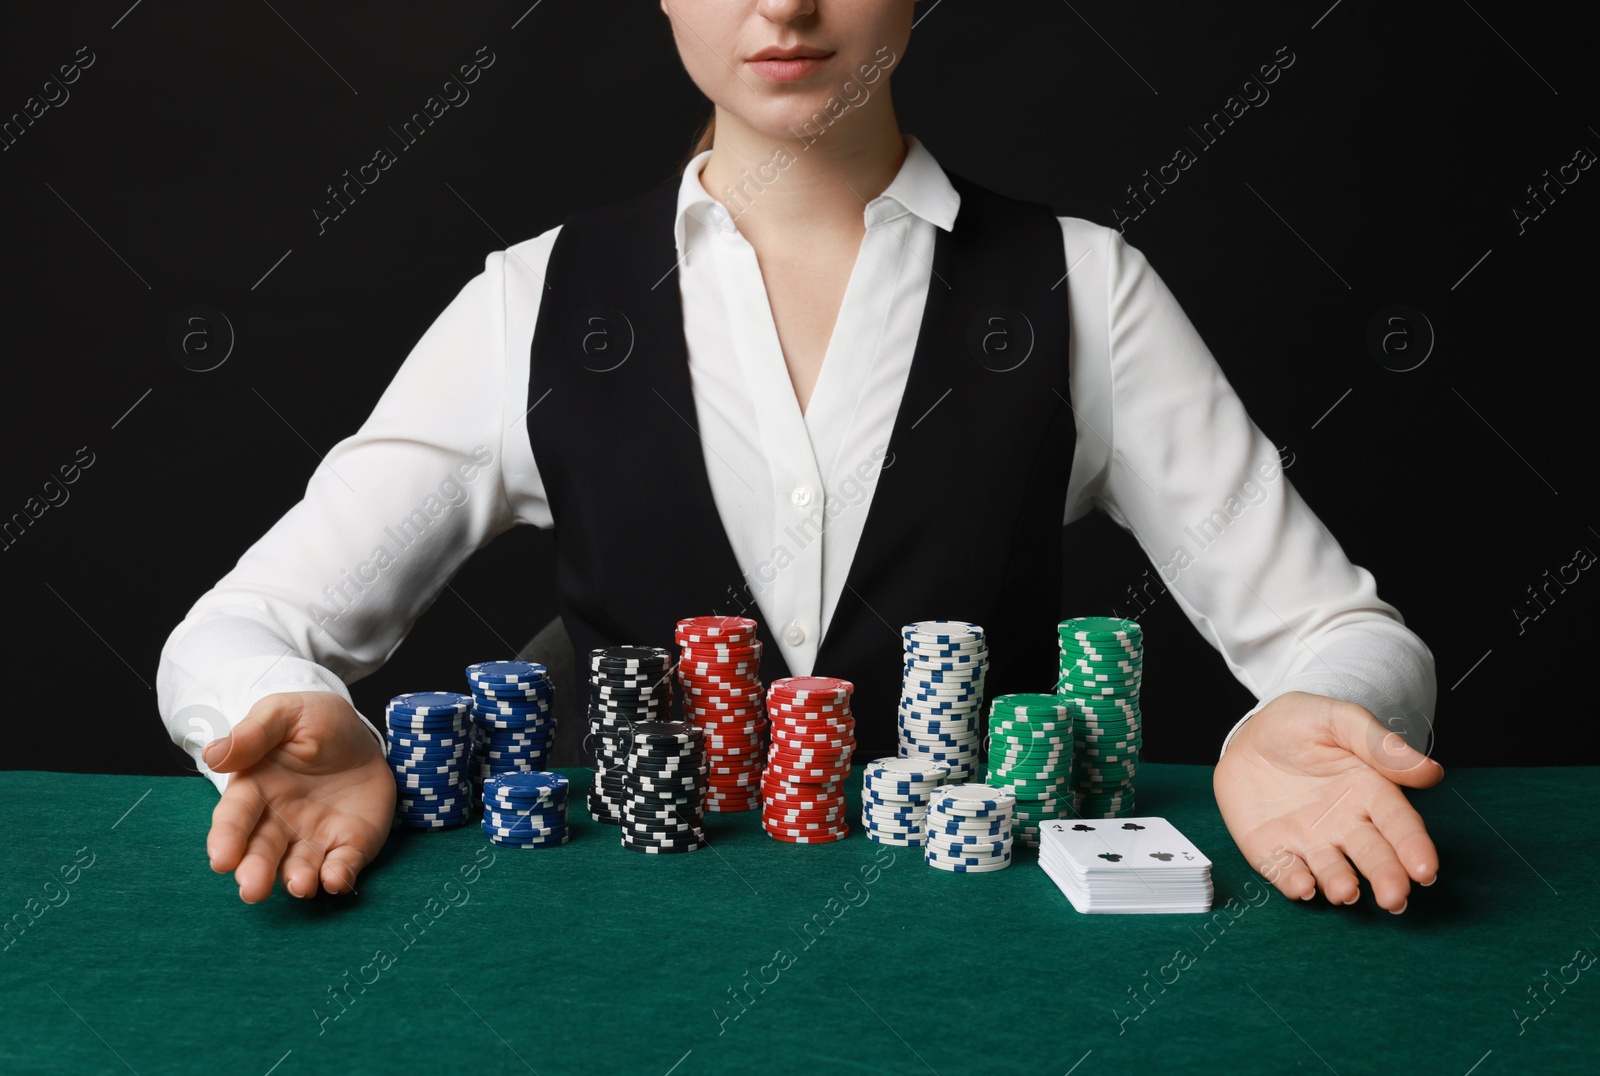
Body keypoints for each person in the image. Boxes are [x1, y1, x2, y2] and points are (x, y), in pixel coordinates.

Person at [157, 0, 1443, 907]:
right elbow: (233, 634)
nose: (785, 4)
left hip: (986, 969)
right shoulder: (529, 303)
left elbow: (1345, 635)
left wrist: (1307, 718)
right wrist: (299, 711)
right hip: (627, 968)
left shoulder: (1082, 287)